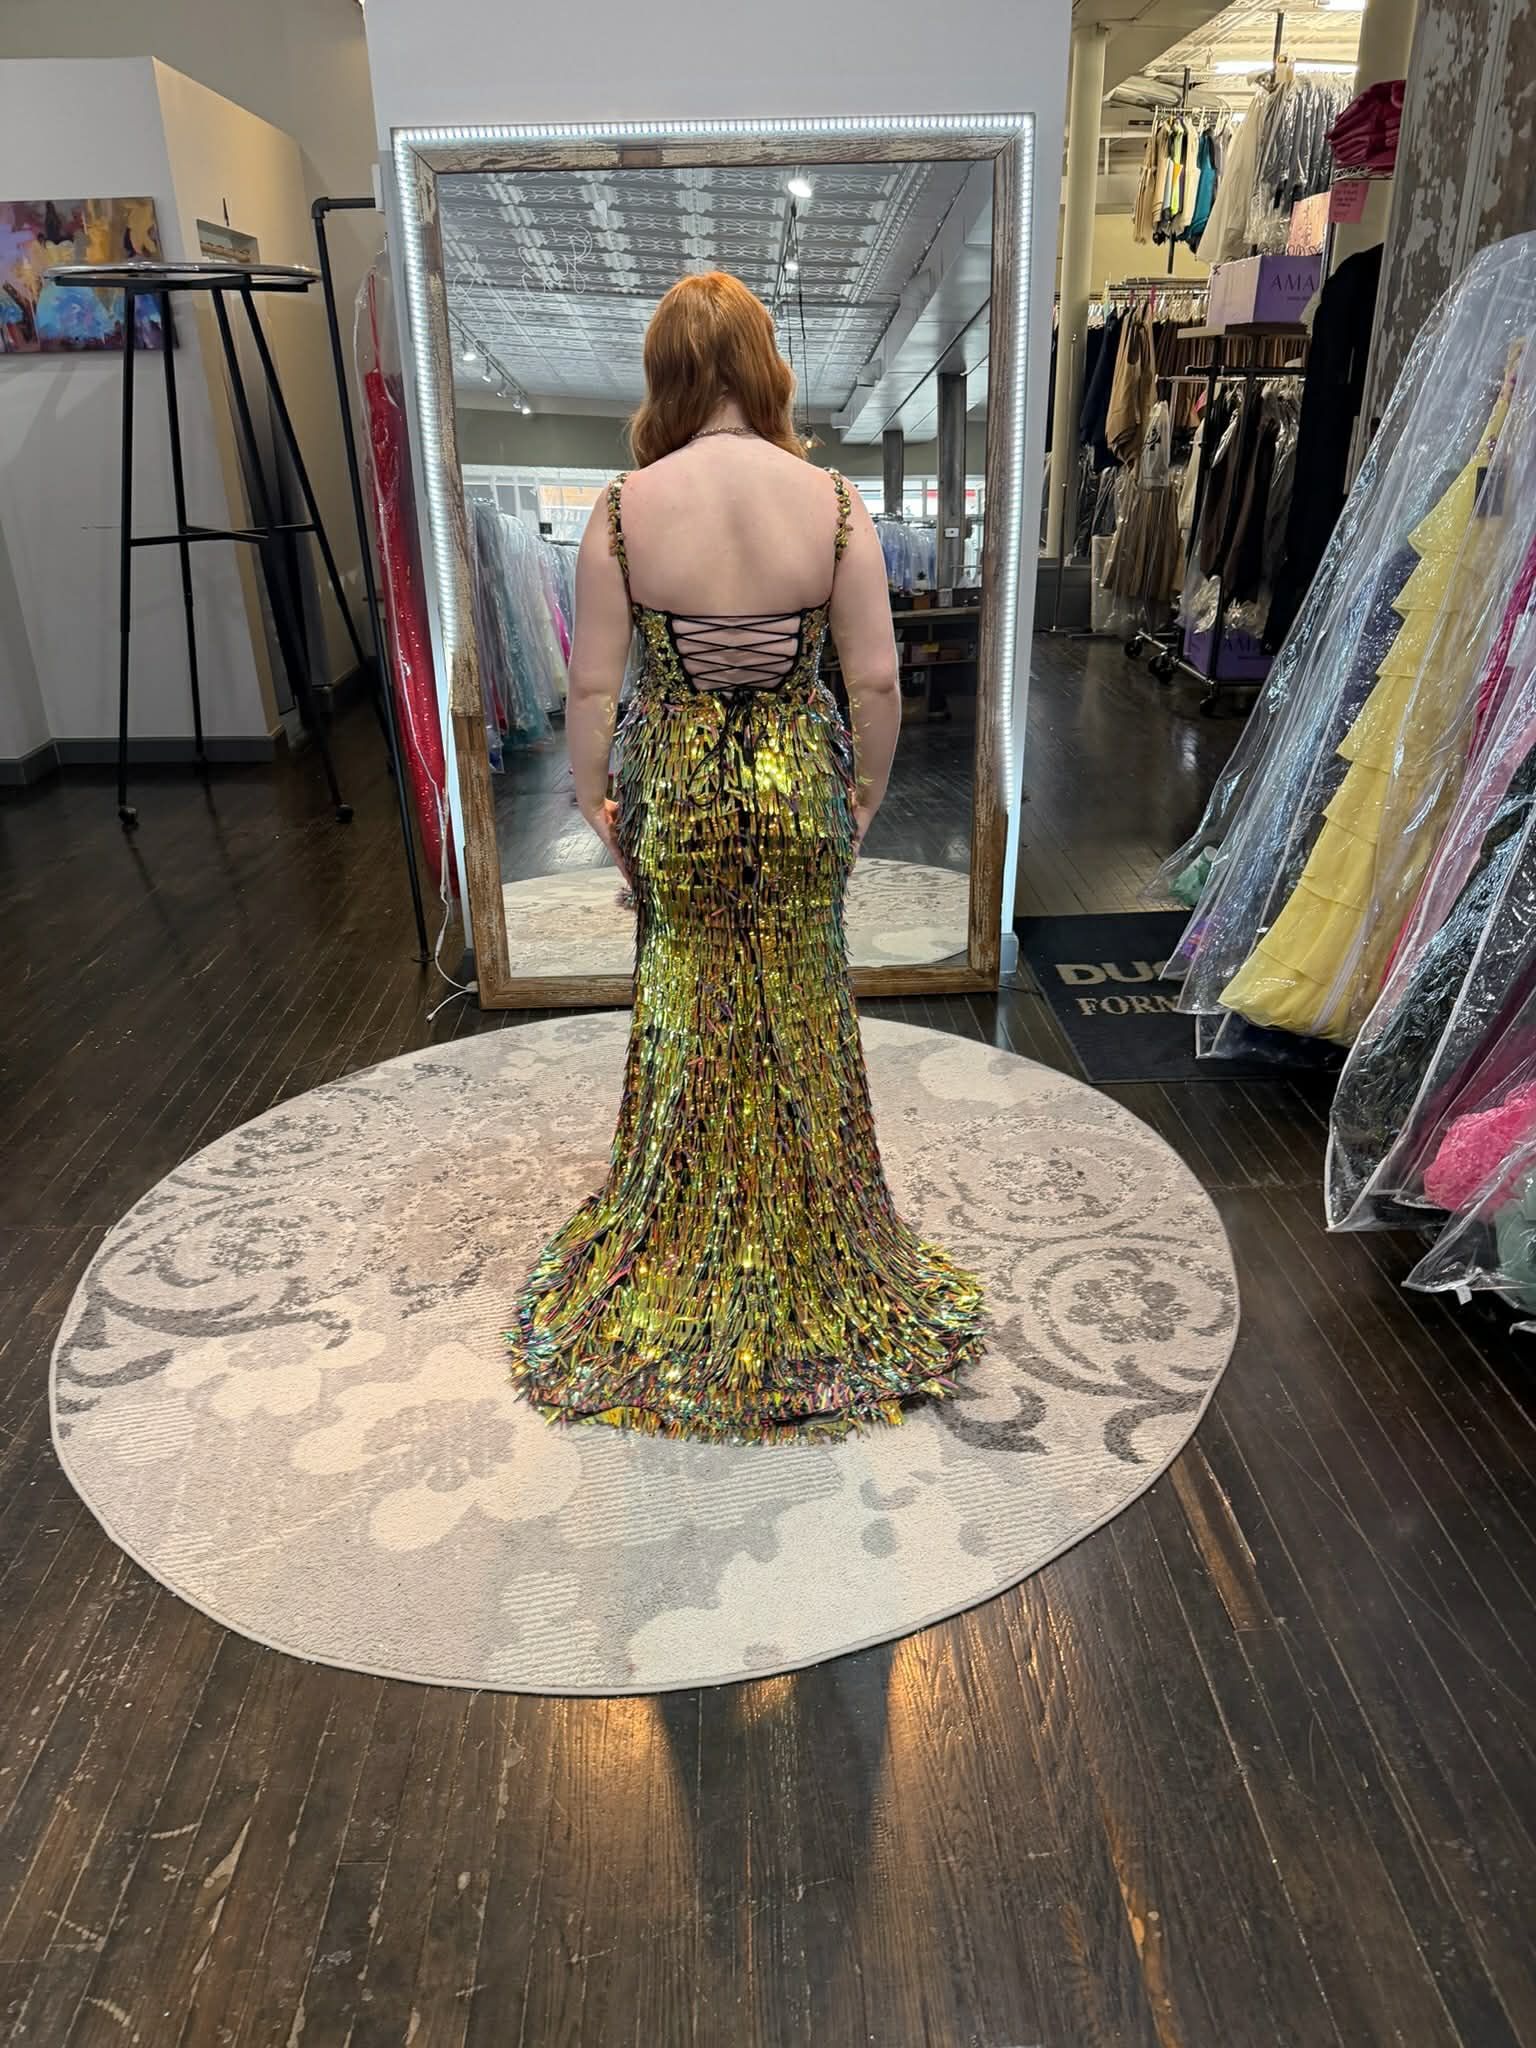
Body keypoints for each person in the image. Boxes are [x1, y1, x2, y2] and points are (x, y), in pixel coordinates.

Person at [505, 270, 985, 1442]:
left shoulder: (623, 509)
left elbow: (592, 685)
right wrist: (860, 797)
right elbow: (873, 679)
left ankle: (679, 1229)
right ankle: (817, 1234)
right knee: (803, 1002)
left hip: (676, 793)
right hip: (794, 789)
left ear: (668, 376)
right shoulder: (830, 504)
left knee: (684, 997)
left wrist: (592, 801)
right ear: (768, 370)